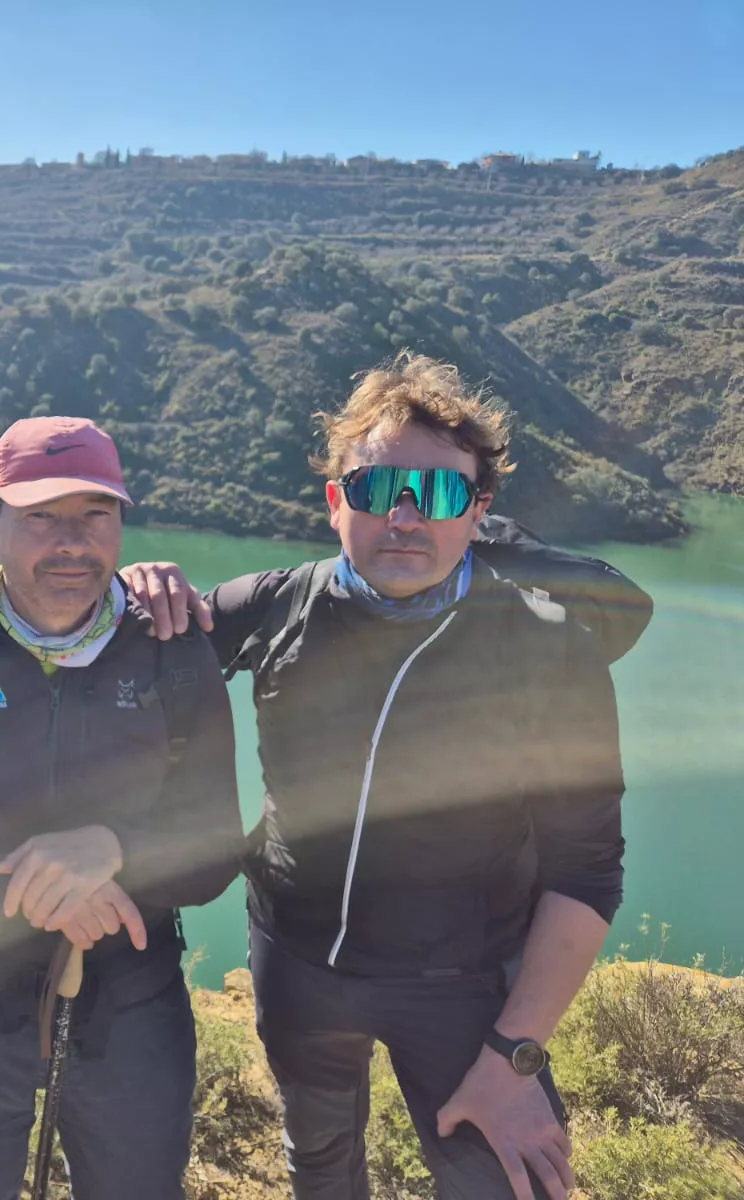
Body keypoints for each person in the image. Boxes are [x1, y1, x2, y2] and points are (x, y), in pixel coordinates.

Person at [124, 353, 644, 1200]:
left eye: (438, 495)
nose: (405, 516)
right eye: (375, 490)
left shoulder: (548, 651)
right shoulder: (276, 607)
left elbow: (586, 875)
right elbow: (115, 672)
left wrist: (516, 1060)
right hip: (295, 965)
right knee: (320, 1163)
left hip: (466, 988)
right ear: (337, 504)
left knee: (508, 1185)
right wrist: (136, 589)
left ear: (479, 512)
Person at [0, 416, 246, 1200]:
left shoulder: (171, 648)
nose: (72, 542)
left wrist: (113, 848)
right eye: (40, 518)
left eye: (95, 515)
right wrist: (38, 890)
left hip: (132, 997)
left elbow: (216, 850)